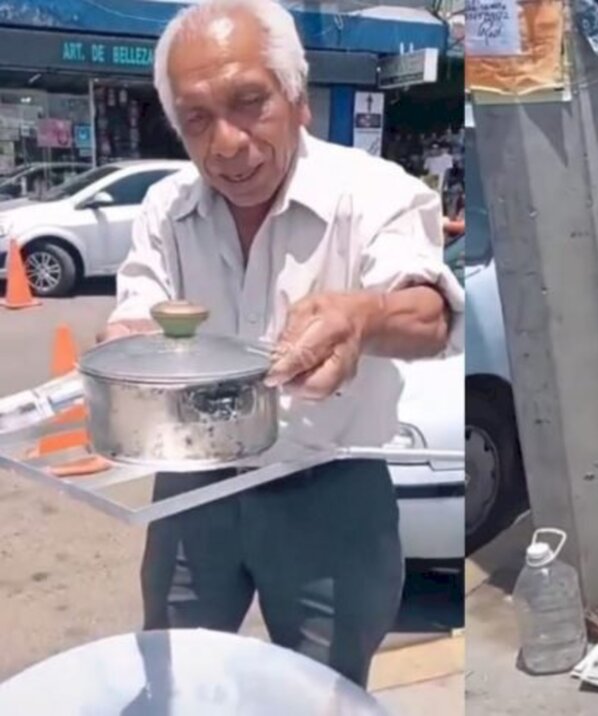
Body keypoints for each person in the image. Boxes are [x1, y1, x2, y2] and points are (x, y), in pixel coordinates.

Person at [99, 0, 463, 689]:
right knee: (175, 679)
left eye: (249, 103)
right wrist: (128, 348)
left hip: (329, 489)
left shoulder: (374, 193)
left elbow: (431, 314)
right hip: (193, 485)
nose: (227, 143)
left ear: (297, 99)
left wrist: (363, 317)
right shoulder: (168, 208)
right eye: (197, 119)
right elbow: (137, 314)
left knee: (323, 689)